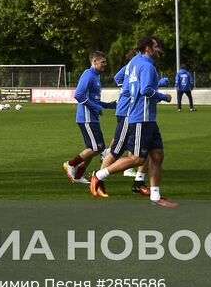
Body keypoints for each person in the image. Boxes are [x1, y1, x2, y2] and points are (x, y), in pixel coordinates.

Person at [90, 37, 177, 206]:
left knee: (157, 155)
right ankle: (98, 176)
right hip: (139, 118)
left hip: (148, 118)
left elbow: (121, 79)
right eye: (157, 47)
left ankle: (155, 195)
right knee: (136, 158)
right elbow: (145, 90)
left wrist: (130, 92)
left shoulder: (134, 62)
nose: (160, 50)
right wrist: (163, 96)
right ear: (147, 48)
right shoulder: (147, 66)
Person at [99, 49, 148, 195]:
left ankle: (138, 181)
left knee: (145, 150)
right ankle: (98, 179)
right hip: (128, 113)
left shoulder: (137, 67)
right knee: (117, 150)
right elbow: (118, 78)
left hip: (134, 114)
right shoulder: (132, 66)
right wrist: (126, 89)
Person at [65, 51, 116, 185]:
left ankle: (78, 176)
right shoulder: (88, 75)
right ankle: (70, 164)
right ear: (95, 62)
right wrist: (95, 108)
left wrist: (109, 106)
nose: (105, 64)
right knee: (96, 148)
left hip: (92, 118)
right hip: (86, 118)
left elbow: (94, 100)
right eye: (103, 62)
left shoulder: (95, 76)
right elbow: (78, 95)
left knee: (93, 148)